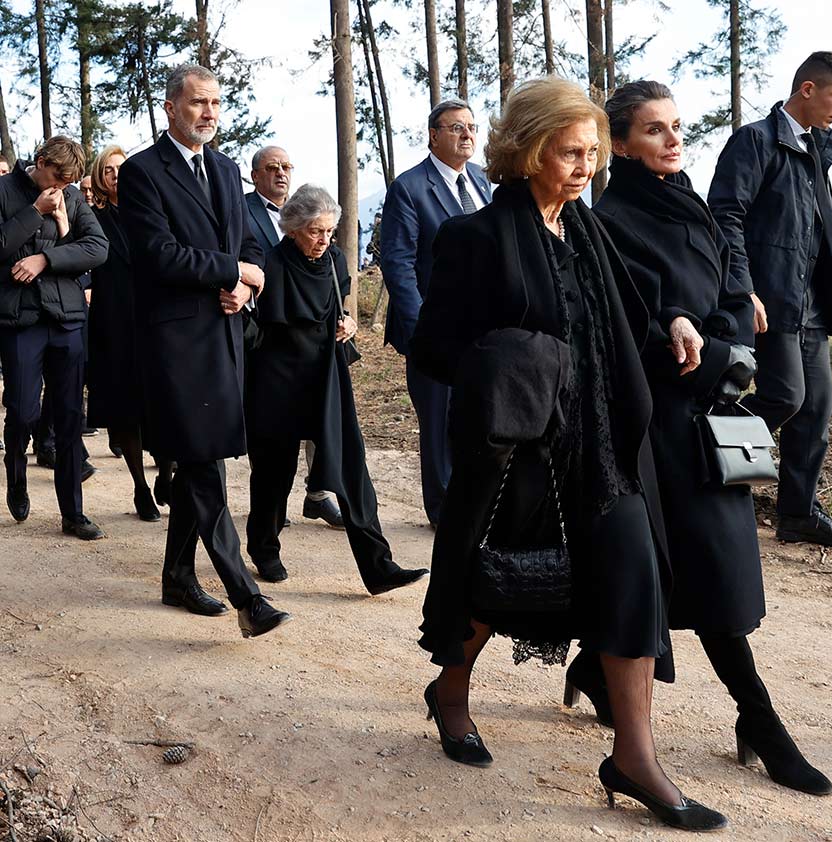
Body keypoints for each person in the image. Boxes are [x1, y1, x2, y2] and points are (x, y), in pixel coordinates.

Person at [411, 77, 727, 832]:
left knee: (631, 578)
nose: (584, 167)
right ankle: (450, 694)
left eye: (591, 153)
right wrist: (514, 361)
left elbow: (626, 321)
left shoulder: (591, 233)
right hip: (519, 452)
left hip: (605, 445)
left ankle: (634, 757)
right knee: (494, 587)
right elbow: (433, 347)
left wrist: (676, 326)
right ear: (525, 153)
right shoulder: (475, 240)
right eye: (569, 152)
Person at [591, 80, 832, 797]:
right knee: (707, 576)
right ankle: (760, 722)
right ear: (621, 145)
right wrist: (676, 327)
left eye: (676, 127)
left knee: (716, 573)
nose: (673, 140)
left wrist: (725, 341)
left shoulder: (691, 200)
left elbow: (733, 293)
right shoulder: (611, 220)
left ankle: (590, 671)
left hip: (716, 412)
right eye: (654, 131)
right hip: (659, 423)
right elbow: (626, 325)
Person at [119, 63, 291, 638]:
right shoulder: (143, 172)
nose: (210, 113)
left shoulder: (224, 169)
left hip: (225, 335)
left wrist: (245, 281)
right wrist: (231, 270)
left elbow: (249, 245)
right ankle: (246, 596)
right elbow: (158, 255)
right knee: (199, 460)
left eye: (216, 103)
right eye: (198, 103)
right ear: (171, 108)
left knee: (204, 455)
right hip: (173, 341)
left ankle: (176, 576)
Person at [709, 50, 832, 549]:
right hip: (770, 299)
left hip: (811, 303)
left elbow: (817, 227)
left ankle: (798, 514)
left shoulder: (816, 150)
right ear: (808, 90)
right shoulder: (755, 141)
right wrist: (743, 289)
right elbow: (725, 217)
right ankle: (703, 447)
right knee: (784, 398)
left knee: (815, 409)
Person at [243, 184, 428, 593]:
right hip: (276, 381)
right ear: (292, 229)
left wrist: (349, 322)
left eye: (329, 231)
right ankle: (264, 548)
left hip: (326, 377)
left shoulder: (335, 261)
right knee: (275, 473)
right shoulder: (270, 264)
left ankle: (380, 567)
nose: (324, 240)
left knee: (352, 467)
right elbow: (254, 325)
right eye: (315, 231)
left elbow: (337, 306)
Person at [381, 98, 493, 528]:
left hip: (483, 326)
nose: (467, 135)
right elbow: (398, 263)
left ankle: (476, 502)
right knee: (438, 420)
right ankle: (444, 512)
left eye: (471, 128)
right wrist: (422, 329)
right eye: (456, 128)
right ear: (433, 135)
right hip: (434, 326)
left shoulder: (482, 182)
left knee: (477, 415)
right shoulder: (410, 188)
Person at [0, 135, 107, 538]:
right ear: (40, 161)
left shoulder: (74, 196)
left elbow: (98, 248)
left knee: (67, 419)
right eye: (58, 177)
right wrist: (33, 212)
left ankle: (73, 514)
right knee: (24, 411)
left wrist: (47, 257)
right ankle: (16, 471)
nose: (62, 186)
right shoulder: (5, 190)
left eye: (70, 180)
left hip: (67, 318)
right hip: (20, 318)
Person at [244, 144, 344, 528]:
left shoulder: (322, 233)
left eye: (287, 166)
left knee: (324, 430)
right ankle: (270, 513)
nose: (281, 173)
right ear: (256, 175)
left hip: (318, 354)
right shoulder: (245, 213)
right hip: (273, 343)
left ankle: (317, 494)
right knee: (274, 450)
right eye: (272, 167)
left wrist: (346, 321)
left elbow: (335, 295)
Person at [83, 145, 164, 522]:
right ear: (100, 177)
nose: (116, 176)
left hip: (155, 320)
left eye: (122, 169)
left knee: (163, 406)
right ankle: (140, 487)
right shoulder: (92, 217)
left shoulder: (150, 212)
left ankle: (165, 471)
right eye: (109, 170)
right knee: (126, 411)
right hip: (113, 321)